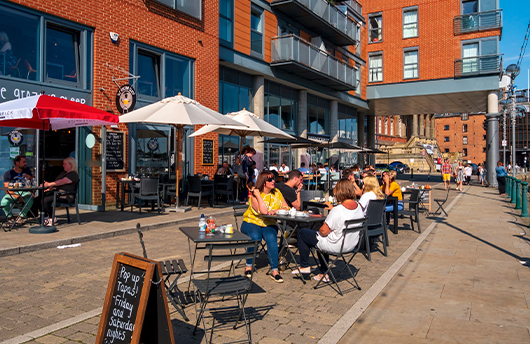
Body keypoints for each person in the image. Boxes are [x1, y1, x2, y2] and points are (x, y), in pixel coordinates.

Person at [295, 179, 364, 282]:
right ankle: (323, 272)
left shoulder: (338, 210)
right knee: (320, 239)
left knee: (303, 233)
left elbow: (323, 231)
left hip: (337, 245)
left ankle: (305, 266)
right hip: (352, 244)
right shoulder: (359, 207)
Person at [241, 171, 290, 282]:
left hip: (269, 223)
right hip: (252, 222)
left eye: (273, 179)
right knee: (255, 236)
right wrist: (258, 195)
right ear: (263, 182)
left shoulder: (277, 192)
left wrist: (275, 211)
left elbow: (286, 207)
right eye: (270, 180)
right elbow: (263, 211)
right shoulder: (255, 194)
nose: (273, 181)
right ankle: (249, 266)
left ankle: (274, 270)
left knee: (272, 238)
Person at [36, 157, 79, 226]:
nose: (63, 165)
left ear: (70, 165)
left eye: (65, 164)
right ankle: (46, 217)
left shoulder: (73, 174)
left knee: (45, 200)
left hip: (66, 195)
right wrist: (50, 187)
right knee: (39, 198)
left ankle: (51, 218)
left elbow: (63, 181)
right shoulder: (63, 173)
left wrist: (50, 184)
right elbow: (57, 182)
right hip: (57, 193)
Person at [1, 155, 34, 225]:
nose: (26, 163)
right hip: (13, 193)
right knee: (4, 203)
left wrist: (30, 178)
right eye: (23, 162)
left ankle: (20, 217)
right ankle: (11, 217)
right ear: (17, 163)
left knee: (30, 200)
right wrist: (17, 197)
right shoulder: (8, 173)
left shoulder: (27, 171)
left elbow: (32, 181)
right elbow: (6, 189)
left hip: (25, 192)